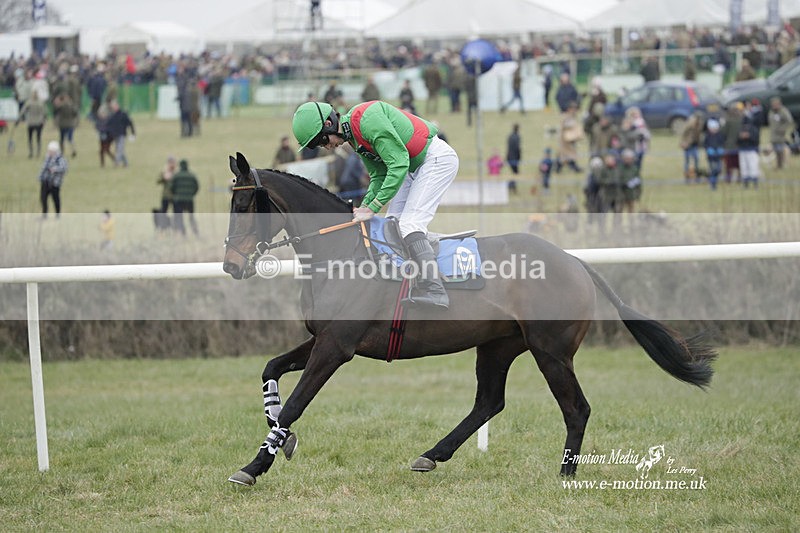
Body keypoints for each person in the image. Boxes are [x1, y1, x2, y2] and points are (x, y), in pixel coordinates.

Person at [292, 100, 459, 309]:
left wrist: (372, 207)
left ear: (329, 123)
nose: (326, 146)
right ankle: (411, 280)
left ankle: (435, 290)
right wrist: (363, 208)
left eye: (322, 140)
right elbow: (379, 175)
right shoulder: (354, 137)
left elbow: (398, 164)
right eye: (319, 145)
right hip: (413, 166)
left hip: (435, 160)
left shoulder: (366, 121)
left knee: (409, 226)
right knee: (392, 224)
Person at [38, 141, 68, 219]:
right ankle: (44, 215)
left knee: (55, 199)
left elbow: (64, 168)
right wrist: (40, 177)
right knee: (43, 198)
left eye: (51, 151)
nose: (49, 152)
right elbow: (43, 168)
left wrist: (55, 169)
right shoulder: (47, 157)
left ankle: (57, 214)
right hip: (45, 181)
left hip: (55, 182)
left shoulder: (60, 158)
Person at [171, 159, 200, 236]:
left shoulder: (176, 176)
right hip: (189, 200)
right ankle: (196, 233)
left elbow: (172, 187)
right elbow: (196, 187)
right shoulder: (192, 175)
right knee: (191, 217)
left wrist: (176, 195)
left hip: (179, 200)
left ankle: (183, 233)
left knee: (179, 217)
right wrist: (191, 194)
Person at [767, 96, 795, 170]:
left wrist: (782, 129)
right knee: (776, 150)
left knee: (781, 149)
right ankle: (778, 164)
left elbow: (789, 121)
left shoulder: (783, 111)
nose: (774, 105)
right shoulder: (771, 112)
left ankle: (781, 164)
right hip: (773, 134)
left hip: (781, 135)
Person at [556, 101, 584, 173]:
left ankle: (570, 166)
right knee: (566, 154)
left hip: (570, 139)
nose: (575, 111)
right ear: (569, 109)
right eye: (573, 109)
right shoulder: (566, 116)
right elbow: (567, 126)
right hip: (565, 139)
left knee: (568, 154)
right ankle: (562, 167)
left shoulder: (572, 117)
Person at [106, 101, 135, 167]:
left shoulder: (123, 114)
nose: (113, 108)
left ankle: (116, 162)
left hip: (122, 135)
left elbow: (130, 123)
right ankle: (126, 163)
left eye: (114, 106)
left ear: (117, 106)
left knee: (119, 149)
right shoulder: (111, 116)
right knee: (120, 150)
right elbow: (108, 125)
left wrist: (133, 132)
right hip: (115, 135)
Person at [18, 90, 46, 159]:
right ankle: (38, 152)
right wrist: (43, 120)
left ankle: (31, 152)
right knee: (38, 138)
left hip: (30, 122)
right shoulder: (40, 102)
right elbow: (44, 112)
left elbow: (23, 111)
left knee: (30, 138)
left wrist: (19, 119)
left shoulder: (29, 102)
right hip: (39, 122)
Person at [680, 111, 704, 183]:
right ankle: (687, 178)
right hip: (688, 144)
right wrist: (683, 142)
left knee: (696, 159)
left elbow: (699, 135)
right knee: (687, 161)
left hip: (695, 144)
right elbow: (684, 133)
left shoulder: (700, 124)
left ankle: (696, 176)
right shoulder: (689, 124)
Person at [53, 93, 79, 158]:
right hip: (70, 124)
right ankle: (73, 150)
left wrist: (56, 103)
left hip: (63, 124)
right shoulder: (71, 105)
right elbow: (75, 113)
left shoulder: (61, 106)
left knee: (62, 139)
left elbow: (55, 112)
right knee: (70, 138)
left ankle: (62, 152)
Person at [704, 118, 725, 190]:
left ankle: (713, 181)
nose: (713, 129)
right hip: (711, 157)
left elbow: (722, 143)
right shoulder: (707, 136)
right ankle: (713, 184)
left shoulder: (719, 135)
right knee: (713, 170)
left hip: (718, 156)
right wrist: (708, 149)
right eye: (712, 128)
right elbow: (705, 144)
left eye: (715, 128)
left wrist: (721, 149)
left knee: (718, 169)